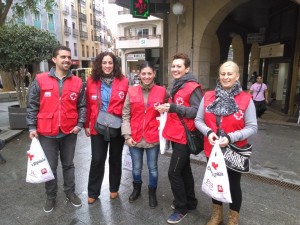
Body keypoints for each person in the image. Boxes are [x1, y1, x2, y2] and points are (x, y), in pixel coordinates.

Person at [195, 61, 257, 225]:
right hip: (213, 150)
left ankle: (233, 218)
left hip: (235, 150)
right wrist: (208, 132)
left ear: (237, 76)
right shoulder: (208, 96)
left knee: (233, 184)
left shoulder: (246, 99)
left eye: (230, 74)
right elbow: (198, 120)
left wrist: (230, 137)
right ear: (219, 76)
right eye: (223, 74)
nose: (226, 77)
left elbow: (252, 127)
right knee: (215, 181)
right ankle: (216, 215)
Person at [26, 46, 86, 213]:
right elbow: (32, 105)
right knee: (50, 167)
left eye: (68, 57)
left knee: (68, 165)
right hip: (46, 131)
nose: (67, 60)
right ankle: (51, 196)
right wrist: (32, 126)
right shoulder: (40, 79)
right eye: (63, 57)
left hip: (69, 131)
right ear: (54, 59)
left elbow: (82, 106)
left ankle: (70, 193)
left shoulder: (78, 82)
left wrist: (79, 124)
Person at [155, 53, 203, 224]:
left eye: (179, 66)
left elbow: (198, 111)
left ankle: (181, 207)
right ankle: (191, 202)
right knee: (185, 170)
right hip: (176, 134)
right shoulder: (177, 85)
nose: (175, 69)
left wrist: (175, 107)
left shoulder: (193, 87)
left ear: (187, 69)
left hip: (184, 136)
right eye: (173, 66)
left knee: (173, 172)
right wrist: (167, 108)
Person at [121, 61, 168, 209]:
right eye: (144, 73)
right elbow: (125, 114)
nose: (146, 76)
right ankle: (136, 190)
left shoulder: (162, 91)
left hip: (152, 136)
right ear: (139, 75)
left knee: (153, 168)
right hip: (134, 137)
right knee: (136, 167)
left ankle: (152, 193)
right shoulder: (131, 91)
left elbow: (169, 110)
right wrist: (127, 135)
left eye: (149, 73)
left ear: (154, 74)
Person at [84, 52, 128, 204]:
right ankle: (93, 191)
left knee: (115, 158)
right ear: (99, 64)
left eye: (110, 63)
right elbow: (88, 105)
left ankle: (114, 188)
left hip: (117, 126)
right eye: (104, 63)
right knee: (97, 159)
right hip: (97, 126)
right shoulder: (91, 81)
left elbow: (128, 106)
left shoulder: (124, 81)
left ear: (115, 64)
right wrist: (86, 125)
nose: (107, 66)